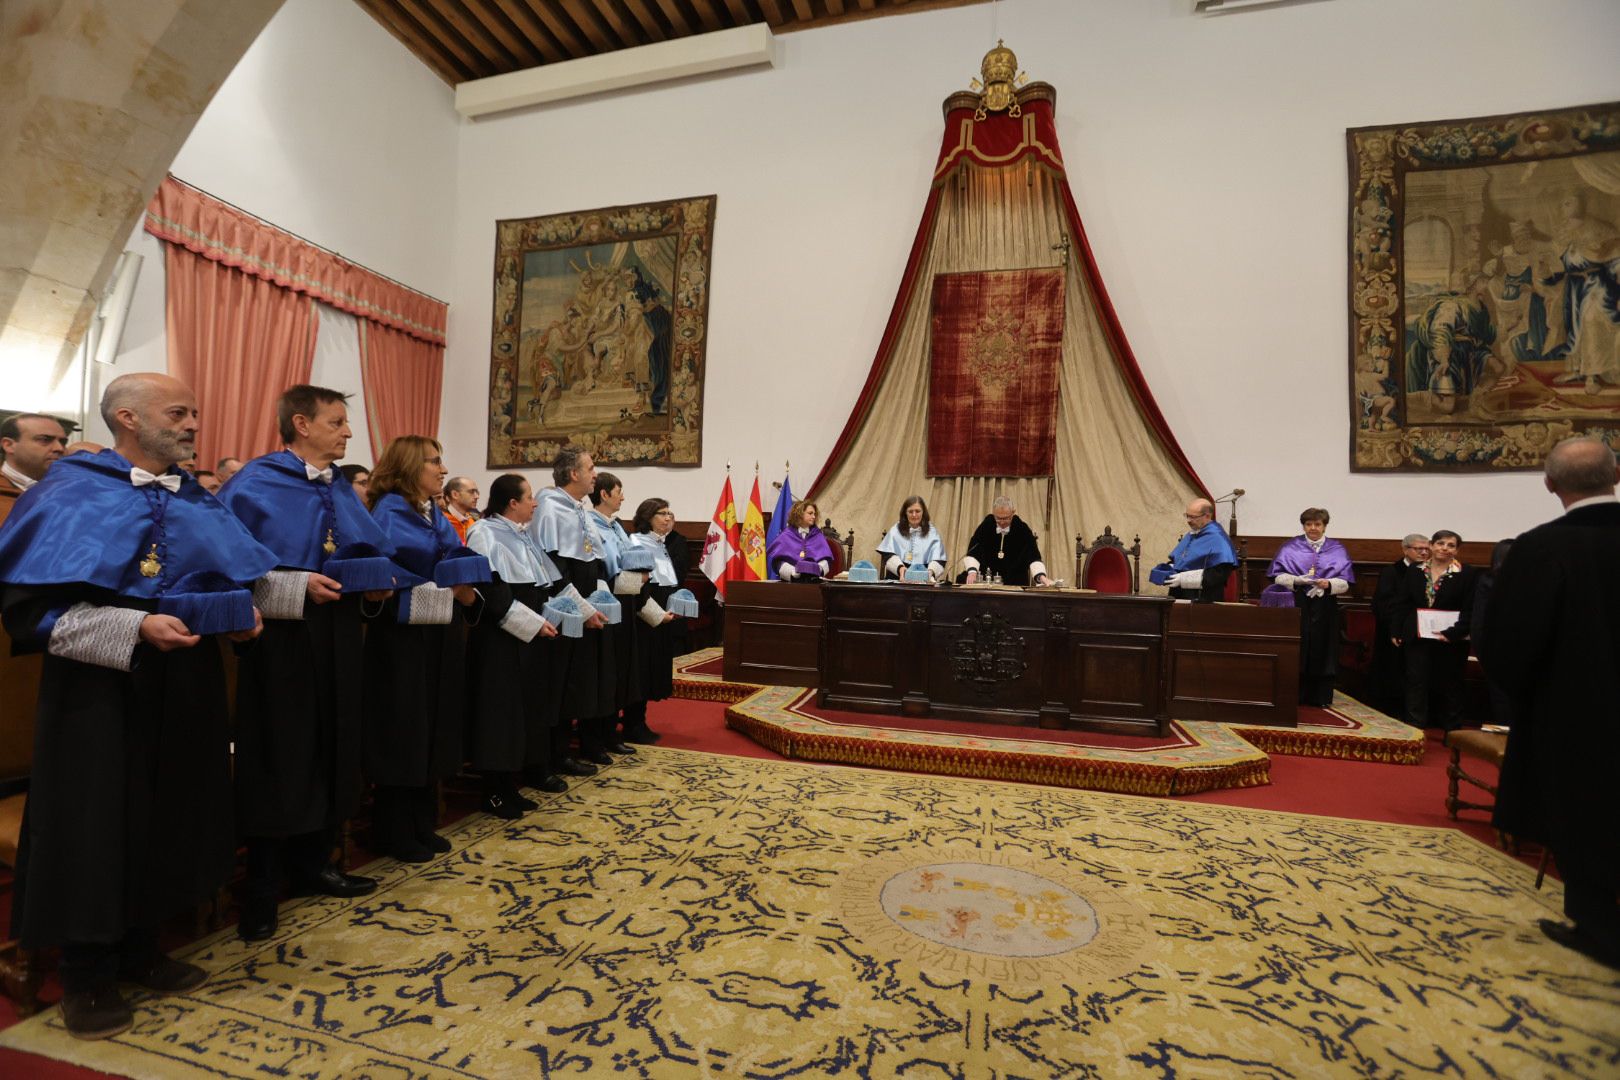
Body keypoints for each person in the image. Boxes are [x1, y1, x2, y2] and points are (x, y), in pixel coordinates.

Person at [0, 373, 274, 1039]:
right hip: (98, 691)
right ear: (127, 417)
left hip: (186, 682)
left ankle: (142, 948)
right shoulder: (71, 490)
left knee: (171, 810)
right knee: (95, 822)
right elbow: (28, 615)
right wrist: (134, 626)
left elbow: (227, 576)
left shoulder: (194, 496)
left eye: (194, 413)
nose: (192, 424)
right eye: (178, 413)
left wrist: (241, 616)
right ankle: (87, 973)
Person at [217, 385, 403, 942]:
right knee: (283, 752)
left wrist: (373, 588)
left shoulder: (339, 486)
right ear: (301, 424)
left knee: (333, 744)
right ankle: (261, 885)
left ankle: (315, 863)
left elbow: (361, 552)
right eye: (337, 422)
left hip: (338, 633)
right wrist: (296, 586)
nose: (349, 432)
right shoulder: (256, 482)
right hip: (281, 639)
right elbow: (227, 568)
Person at [1485, 435, 1620, 971]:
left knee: (1585, 813)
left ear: (1549, 484)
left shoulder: (1542, 548)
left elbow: (1509, 643)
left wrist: (1528, 698)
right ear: (1617, 476)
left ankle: (1599, 927)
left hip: (1576, 717)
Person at [363, 437, 487, 862]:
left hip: (437, 630)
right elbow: (383, 567)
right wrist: (441, 584)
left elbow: (450, 553)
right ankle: (393, 829)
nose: (442, 469)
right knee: (404, 729)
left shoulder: (430, 510)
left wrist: (464, 579)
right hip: (402, 636)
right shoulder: (388, 511)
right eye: (434, 462)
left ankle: (421, 820)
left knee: (433, 723)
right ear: (410, 466)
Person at [464, 474, 563, 817]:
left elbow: (541, 583)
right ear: (512, 503)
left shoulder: (522, 534)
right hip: (500, 639)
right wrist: (533, 624)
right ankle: (493, 791)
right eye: (530, 497)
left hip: (528, 637)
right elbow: (491, 591)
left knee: (522, 712)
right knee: (499, 714)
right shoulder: (484, 533)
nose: (535, 503)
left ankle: (512, 785)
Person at [533, 446, 616, 772]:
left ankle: (578, 746)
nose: (596, 474)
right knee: (562, 683)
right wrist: (582, 609)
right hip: (563, 608)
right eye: (591, 468)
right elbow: (556, 570)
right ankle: (555, 755)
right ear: (573, 473)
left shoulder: (578, 508)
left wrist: (598, 601)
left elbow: (591, 561)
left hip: (584, 605)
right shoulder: (550, 508)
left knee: (580, 680)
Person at [1262, 508, 1355, 707]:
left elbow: (1346, 582)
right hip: (1297, 602)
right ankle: (1295, 694)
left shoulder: (1337, 548)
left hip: (1325, 605)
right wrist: (1297, 580)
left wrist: (1328, 584)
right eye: (1308, 524)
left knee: (1323, 647)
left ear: (1324, 526)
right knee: (1299, 645)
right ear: (1303, 526)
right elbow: (1276, 575)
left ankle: (1320, 697)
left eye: (1317, 524)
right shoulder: (1290, 547)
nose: (1313, 528)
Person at [1394, 529, 1475, 731]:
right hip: (1418, 635)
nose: (1444, 548)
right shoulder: (1416, 570)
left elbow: (1471, 608)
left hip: (1451, 638)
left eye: (1451, 545)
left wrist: (1454, 633)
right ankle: (1414, 727)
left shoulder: (1466, 573)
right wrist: (1397, 629)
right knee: (1416, 681)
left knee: (1450, 684)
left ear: (1457, 550)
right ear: (1431, 546)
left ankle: (1451, 730)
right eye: (1440, 543)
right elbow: (1403, 602)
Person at [623, 498, 688, 744]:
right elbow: (636, 587)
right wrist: (656, 614)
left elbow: (668, 581)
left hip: (662, 616)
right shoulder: (637, 542)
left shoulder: (661, 544)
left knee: (652, 670)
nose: (668, 518)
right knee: (640, 671)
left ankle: (640, 721)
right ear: (647, 516)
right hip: (643, 618)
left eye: (670, 513)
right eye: (662, 513)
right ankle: (633, 723)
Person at [589, 472, 640, 756]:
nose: (623, 497)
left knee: (620, 668)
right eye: (619, 492)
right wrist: (633, 579)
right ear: (604, 494)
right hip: (605, 601)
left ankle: (611, 732)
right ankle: (594, 738)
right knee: (604, 672)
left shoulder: (617, 525)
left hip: (626, 599)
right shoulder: (590, 524)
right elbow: (600, 570)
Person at [1371, 533, 1430, 721]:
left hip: (1420, 631)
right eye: (1418, 549)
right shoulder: (1392, 571)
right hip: (1393, 632)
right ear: (1405, 549)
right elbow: (1382, 604)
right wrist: (1400, 624)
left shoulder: (1428, 571)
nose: (1423, 552)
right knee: (1393, 674)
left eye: (1426, 549)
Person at [1149, 498, 1236, 601]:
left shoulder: (1219, 538)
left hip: (1204, 599)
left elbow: (1219, 574)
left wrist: (1183, 579)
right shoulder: (1192, 534)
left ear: (1207, 516)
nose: (1188, 520)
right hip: (1178, 596)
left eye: (1193, 517)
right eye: (1187, 516)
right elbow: (1181, 559)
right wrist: (1170, 568)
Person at [960, 496, 1048, 586]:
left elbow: (1033, 555)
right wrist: (972, 572)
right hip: (988, 583)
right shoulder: (986, 525)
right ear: (994, 513)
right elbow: (974, 551)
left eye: (1005, 518)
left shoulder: (1022, 528)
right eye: (998, 518)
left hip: (1015, 584)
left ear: (1013, 513)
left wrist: (1040, 576)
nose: (1002, 522)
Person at [877, 495, 947, 581]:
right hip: (898, 578)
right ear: (905, 513)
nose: (914, 515)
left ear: (923, 512)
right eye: (910, 511)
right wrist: (900, 568)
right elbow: (887, 555)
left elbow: (939, 559)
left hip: (923, 580)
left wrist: (931, 571)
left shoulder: (932, 532)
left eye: (917, 511)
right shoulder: (895, 530)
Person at [0, 412, 68, 496]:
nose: (59, 448)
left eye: (63, 442)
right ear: (9, 445)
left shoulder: (69, 490)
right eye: (44, 440)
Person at [767, 500, 836, 581]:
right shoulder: (786, 535)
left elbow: (827, 560)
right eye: (810, 513)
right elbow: (777, 562)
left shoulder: (818, 535)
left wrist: (819, 569)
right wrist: (791, 572)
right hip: (790, 583)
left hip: (813, 582)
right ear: (799, 514)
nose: (814, 517)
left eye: (814, 514)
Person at [443, 476, 481, 544]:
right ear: (455, 494)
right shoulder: (441, 521)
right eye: (471, 492)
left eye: (477, 492)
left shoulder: (475, 519)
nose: (477, 497)